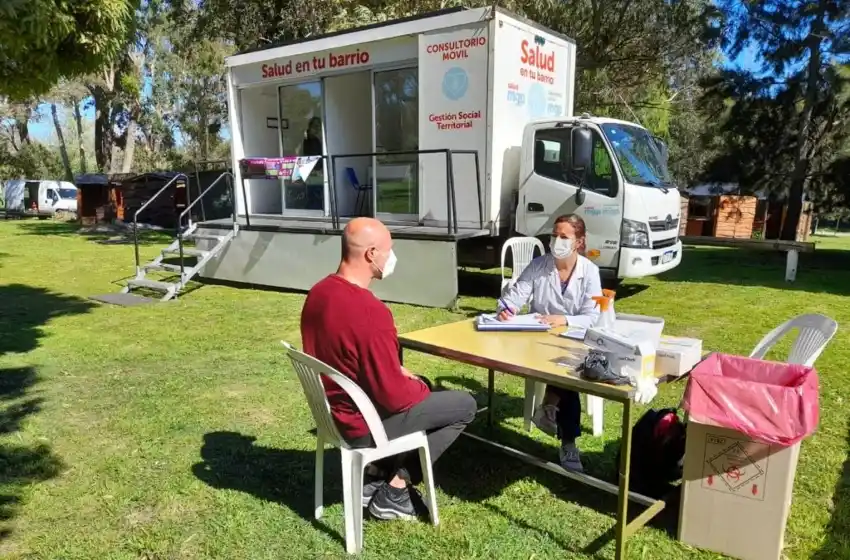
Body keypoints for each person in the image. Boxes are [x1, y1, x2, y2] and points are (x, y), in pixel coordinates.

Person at [300, 217, 477, 520]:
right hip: (360, 423)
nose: (392, 257)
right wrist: (419, 384)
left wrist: (399, 374)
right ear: (371, 254)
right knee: (465, 404)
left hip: (334, 412)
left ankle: (376, 474)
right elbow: (394, 397)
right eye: (389, 249)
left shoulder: (319, 292)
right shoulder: (369, 311)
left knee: (419, 386)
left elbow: (353, 358)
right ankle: (396, 490)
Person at [497, 214, 603, 472]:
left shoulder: (590, 271)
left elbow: (593, 316)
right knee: (564, 371)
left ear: (579, 242)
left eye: (564, 237)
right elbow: (516, 295)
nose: (557, 241)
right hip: (538, 339)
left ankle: (563, 434)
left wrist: (564, 320)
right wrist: (507, 308)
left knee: (568, 371)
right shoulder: (538, 266)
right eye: (554, 235)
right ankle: (552, 417)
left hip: (573, 339)